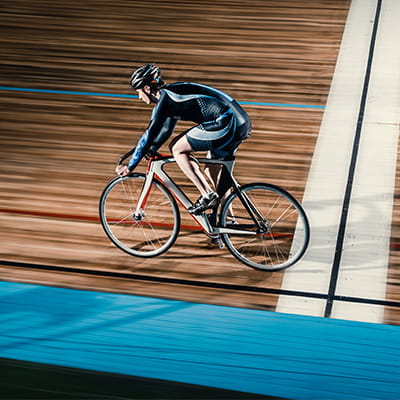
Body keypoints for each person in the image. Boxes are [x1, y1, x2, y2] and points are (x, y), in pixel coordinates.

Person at [116, 63, 251, 215]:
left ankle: (207, 195)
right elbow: (165, 130)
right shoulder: (171, 95)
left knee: (177, 148)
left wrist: (130, 166)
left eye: (139, 92)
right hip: (240, 122)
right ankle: (228, 220)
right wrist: (151, 149)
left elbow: (150, 133)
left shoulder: (165, 99)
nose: (139, 97)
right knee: (214, 171)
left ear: (147, 88)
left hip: (226, 122)